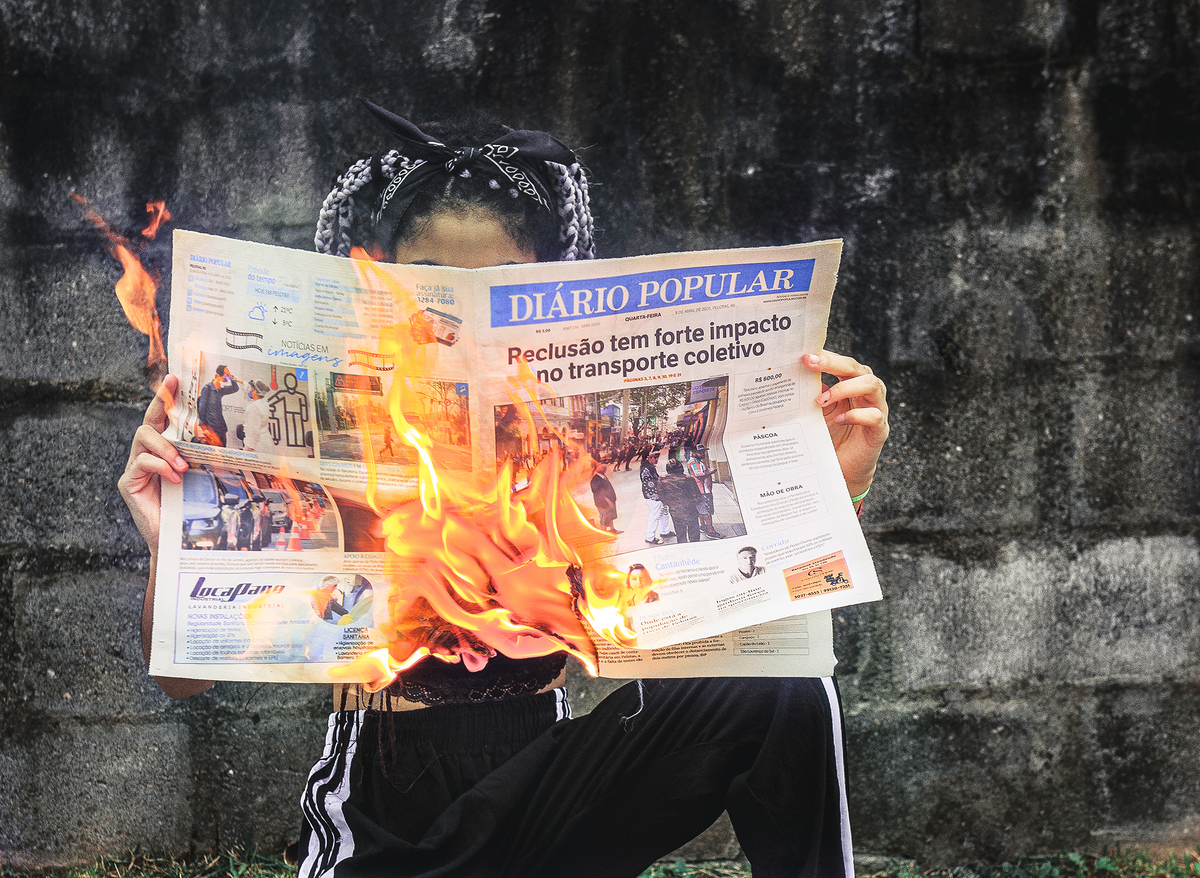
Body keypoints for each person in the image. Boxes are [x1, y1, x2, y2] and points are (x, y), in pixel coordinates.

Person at [119, 102, 890, 878]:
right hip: (388, 809)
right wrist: (170, 548)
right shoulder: (340, 424)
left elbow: (719, 611)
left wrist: (834, 486)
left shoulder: (573, 446)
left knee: (791, 693)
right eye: (433, 291)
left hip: (545, 790)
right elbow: (180, 678)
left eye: (505, 288)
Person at [657, 457, 703, 542]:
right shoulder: (688, 479)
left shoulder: (662, 480)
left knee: (680, 534)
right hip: (690, 510)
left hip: (675, 511)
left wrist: (670, 503)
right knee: (694, 533)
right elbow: (697, 496)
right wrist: (692, 503)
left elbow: (661, 495)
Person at [196, 365, 241, 446]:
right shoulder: (207, 389)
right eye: (225, 374)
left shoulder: (220, 390)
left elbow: (235, 388)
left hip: (221, 428)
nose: (227, 377)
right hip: (211, 429)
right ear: (217, 375)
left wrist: (231, 376)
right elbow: (201, 409)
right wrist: (205, 429)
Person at [686, 444, 722, 539]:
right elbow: (700, 476)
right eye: (700, 452)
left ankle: (702, 525)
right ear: (693, 453)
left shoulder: (696, 461)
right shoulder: (694, 462)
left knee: (701, 509)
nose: (703, 453)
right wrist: (711, 472)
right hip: (703, 490)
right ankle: (710, 530)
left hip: (700, 489)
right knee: (707, 510)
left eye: (703, 452)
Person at [640, 447, 671, 545]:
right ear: (649, 457)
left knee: (663, 512)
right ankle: (650, 537)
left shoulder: (649, 467)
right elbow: (649, 485)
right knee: (655, 516)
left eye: (657, 457)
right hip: (654, 497)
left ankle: (665, 531)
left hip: (658, 495)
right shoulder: (646, 468)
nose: (657, 459)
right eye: (655, 457)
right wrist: (657, 496)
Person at [589, 462, 620, 533]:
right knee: (604, 518)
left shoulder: (603, 476)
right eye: (602, 467)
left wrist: (612, 500)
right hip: (602, 503)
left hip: (609, 501)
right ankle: (604, 534)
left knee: (610, 516)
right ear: (598, 470)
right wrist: (609, 502)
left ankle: (612, 530)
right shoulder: (595, 480)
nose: (605, 469)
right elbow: (599, 494)